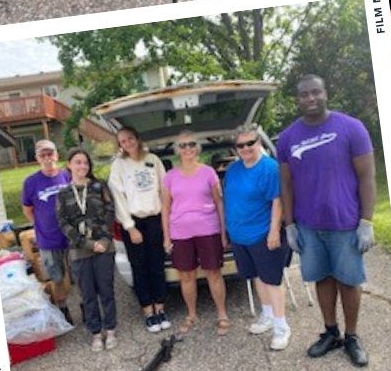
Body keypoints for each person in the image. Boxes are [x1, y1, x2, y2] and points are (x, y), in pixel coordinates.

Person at [277, 75, 376, 367]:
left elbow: (367, 177)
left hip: (345, 223)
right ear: (298, 99)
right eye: (304, 94)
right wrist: (290, 225)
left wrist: (366, 221)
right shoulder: (287, 138)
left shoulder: (351, 128)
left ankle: (352, 336)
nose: (311, 98)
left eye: (316, 92)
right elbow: (286, 185)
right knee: (322, 278)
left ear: (325, 93)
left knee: (349, 281)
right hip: (308, 225)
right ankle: (331, 332)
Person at [223, 124, 291, 351]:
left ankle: (281, 327)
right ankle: (268, 315)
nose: (245, 148)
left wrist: (274, 231)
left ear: (258, 142)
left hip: (263, 234)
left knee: (272, 280)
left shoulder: (269, 168)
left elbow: (277, 202)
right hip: (240, 237)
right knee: (257, 278)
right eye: (240, 145)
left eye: (249, 143)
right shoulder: (233, 169)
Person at [160, 137, 230, 335]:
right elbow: (165, 207)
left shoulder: (208, 172)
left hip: (208, 230)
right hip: (180, 233)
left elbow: (219, 202)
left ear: (197, 148)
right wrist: (167, 237)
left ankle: (222, 314)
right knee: (186, 276)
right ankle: (191, 315)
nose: (187, 148)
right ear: (177, 150)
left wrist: (223, 232)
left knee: (214, 273)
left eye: (191, 144)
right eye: (183, 145)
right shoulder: (169, 177)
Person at [107, 126, 170, 333]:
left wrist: (165, 220)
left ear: (137, 138)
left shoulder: (153, 160)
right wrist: (130, 227)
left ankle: (160, 308)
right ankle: (148, 312)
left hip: (154, 219)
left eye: (130, 138)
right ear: (120, 145)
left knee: (156, 265)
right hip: (133, 222)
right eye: (123, 141)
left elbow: (164, 190)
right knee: (139, 267)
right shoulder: (119, 165)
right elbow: (118, 198)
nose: (127, 143)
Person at [55, 148, 117, 352]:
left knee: (106, 290)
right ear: (69, 165)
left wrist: (105, 240)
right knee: (88, 294)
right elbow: (63, 223)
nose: (82, 166)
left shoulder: (100, 187)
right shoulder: (63, 193)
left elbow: (110, 212)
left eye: (85, 163)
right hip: (79, 250)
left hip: (104, 246)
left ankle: (110, 329)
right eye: (78, 162)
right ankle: (96, 333)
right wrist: (88, 244)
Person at [20, 140, 71, 321]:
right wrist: (40, 224)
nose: (47, 158)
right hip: (48, 239)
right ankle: (64, 309)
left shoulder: (67, 176)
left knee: (78, 276)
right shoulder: (31, 182)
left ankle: (85, 307)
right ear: (37, 158)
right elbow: (27, 209)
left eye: (50, 154)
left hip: (71, 237)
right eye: (43, 155)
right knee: (56, 277)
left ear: (56, 155)